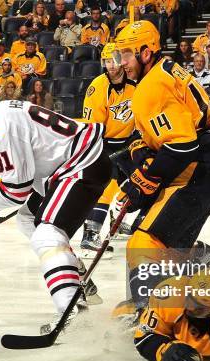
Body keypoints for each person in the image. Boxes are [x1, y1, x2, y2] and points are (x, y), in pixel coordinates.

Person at [113, 21, 210, 321]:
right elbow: (158, 135)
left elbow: (181, 146)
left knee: (144, 242)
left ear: (146, 53)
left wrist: (145, 181)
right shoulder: (167, 69)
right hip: (205, 173)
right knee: (174, 250)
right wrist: (141, 153)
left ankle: (149, 316)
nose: (121, 62)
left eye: (126, 54)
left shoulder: (152, 86)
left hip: (194, 174)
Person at [0, 84, 111, 333]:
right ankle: (76, 274)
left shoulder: (0, 128)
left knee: (47, 235)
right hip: (73, 163)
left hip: (81, 165)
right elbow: (23, 185)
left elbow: (17, 190)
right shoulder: (4, 110)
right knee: (26, 219)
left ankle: (73, 313)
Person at [80, 42, 137, 257]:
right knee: (107, 187)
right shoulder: (98, 87)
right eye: (106, 61)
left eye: (113, 60)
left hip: (129, 142)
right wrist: (93, 151)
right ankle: (90, 237)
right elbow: (91, 126)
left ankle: (119, 216)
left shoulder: (134, 83)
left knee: (138, 180)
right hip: (104, 143)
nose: (110, 65)